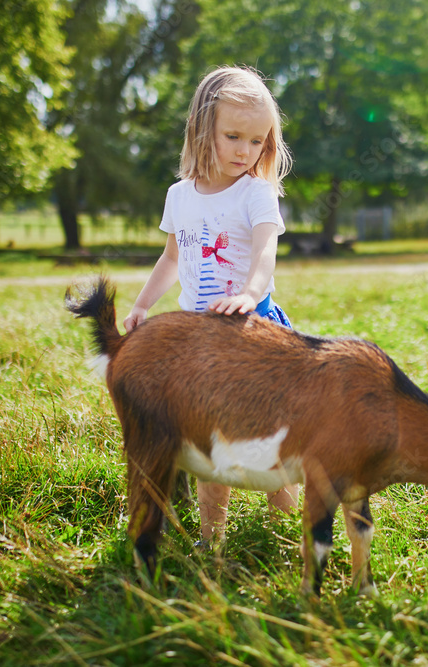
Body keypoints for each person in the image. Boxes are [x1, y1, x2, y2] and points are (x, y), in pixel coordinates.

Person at [122, 66, 298, 546]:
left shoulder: (256, 194)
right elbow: (172, 257)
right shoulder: (180, 196)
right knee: (208, 442)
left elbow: (265, 249)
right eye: (233, 136)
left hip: (252, 332)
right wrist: (141, 305)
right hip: (197, 342)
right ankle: (210, 537)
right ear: (203, 130)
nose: (245, 150)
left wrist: (249, 292)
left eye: (257, 141)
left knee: (269, 442)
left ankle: (280, 531)